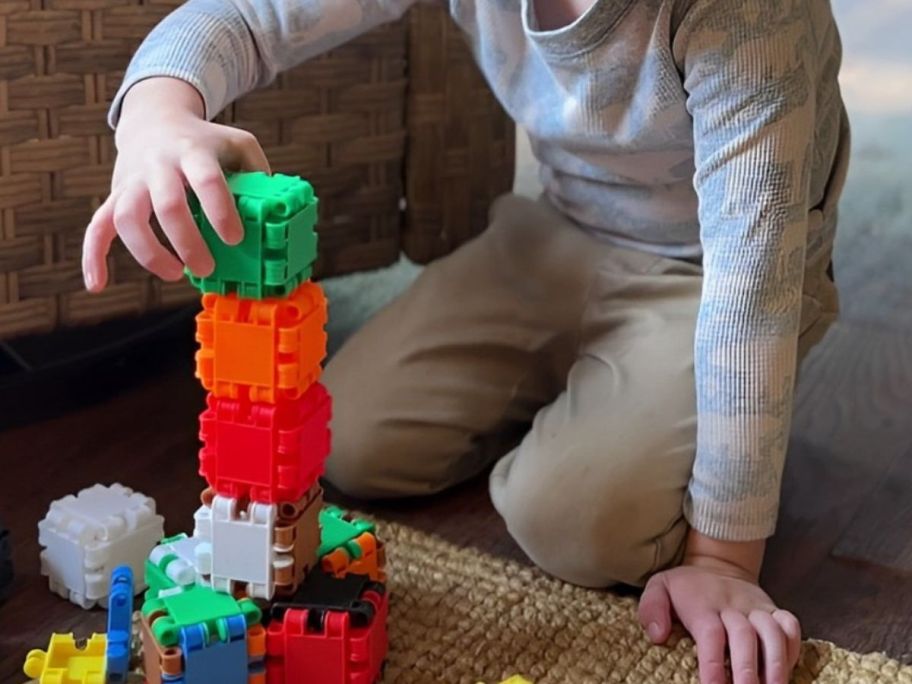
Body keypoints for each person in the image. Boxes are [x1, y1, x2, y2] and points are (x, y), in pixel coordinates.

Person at [81, 2, 850, 683]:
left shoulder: (748, 14)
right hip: (560, 232)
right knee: (343, 439)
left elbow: (753, 289)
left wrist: (723, 560)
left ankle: (626, 423)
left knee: (571, 521)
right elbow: (243, 17)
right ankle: (604, 402)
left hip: (720, 273)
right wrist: (157, 116)